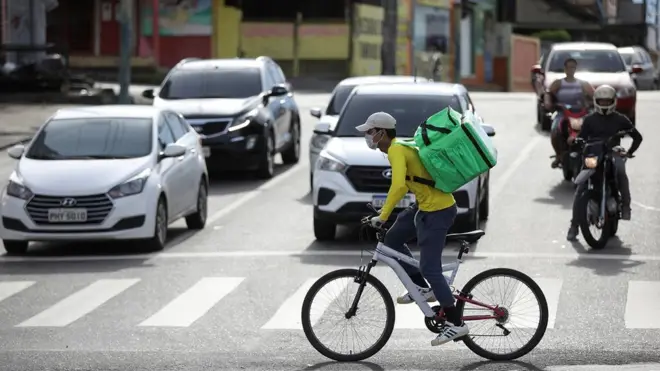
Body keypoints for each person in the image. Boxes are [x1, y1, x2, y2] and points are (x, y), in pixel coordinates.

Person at [355, 112, 468, 346]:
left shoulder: (396, 149)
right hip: (424, 206)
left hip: (437, 211)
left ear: (381, 133)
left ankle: (456, 323)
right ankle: (422, 288)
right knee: (391, 240)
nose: (367, 136)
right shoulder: (399, 147)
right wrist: (386, 216)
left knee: (430, 268)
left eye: (369, 131)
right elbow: (411, 183)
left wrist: (383, 216)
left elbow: (397, 187)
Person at [566, 85, 643, 241]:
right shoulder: (589, 119)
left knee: (620, 172)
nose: (605, 103)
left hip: (612, 152)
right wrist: (576, 142)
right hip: (594, 154)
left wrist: (629, 152)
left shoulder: (620, 119)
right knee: (581, 187)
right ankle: (574, 225)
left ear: (613, 101)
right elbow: (581, 136)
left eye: (608, 101)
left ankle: (626, 206)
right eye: (602, 100)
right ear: (595, 101)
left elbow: (637, 136)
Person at [544, 57, 594, 168]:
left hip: (581, 113)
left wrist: (593, 103)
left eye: (573, 67)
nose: (571, 69)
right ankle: (558, 155)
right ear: (565, 69)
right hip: (563, 113)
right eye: (569, 67)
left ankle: (591, 153)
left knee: (592, 129)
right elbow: (548, 93)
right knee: (555, 129)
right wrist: (548, 102)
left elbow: (594, 95)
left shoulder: (583, 83)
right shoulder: (558, 83)